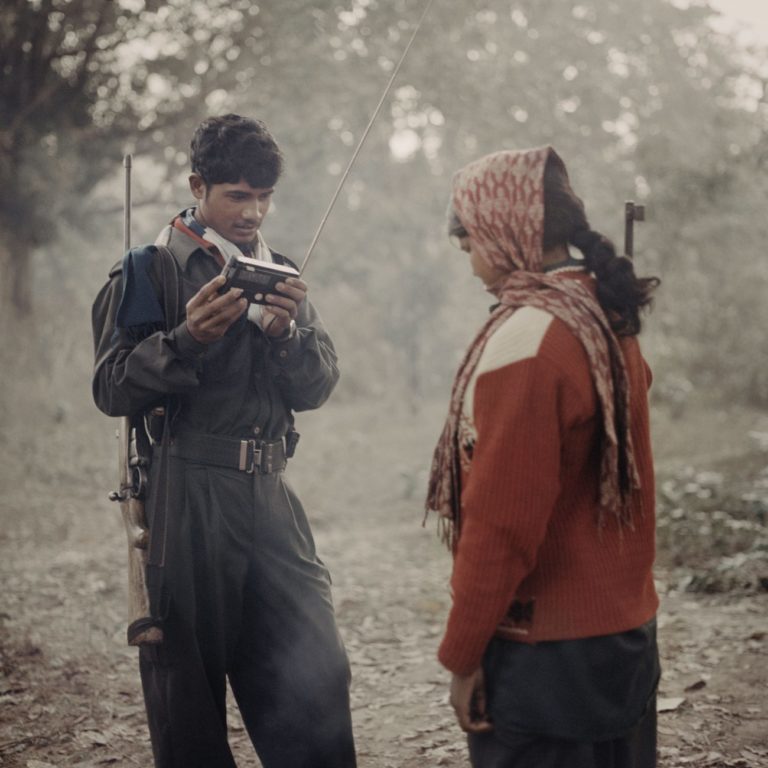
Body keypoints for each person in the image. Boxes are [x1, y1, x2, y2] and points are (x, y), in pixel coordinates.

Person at [91, 114, 356, 768]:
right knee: (189, 697)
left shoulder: (280, 269)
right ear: (197, 186)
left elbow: (318, 385)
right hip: (188, 493)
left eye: (264, 195)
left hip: (272, 495)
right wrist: (186, 341)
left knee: (316, 671)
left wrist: (285, 336)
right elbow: (111, 390)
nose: (254, 211)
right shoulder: (149, 268)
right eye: (238, 195)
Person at [426, 146, 661, 768]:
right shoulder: (605, 316)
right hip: (625, 638)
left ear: (506, 234)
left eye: (470, 241)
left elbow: (502, 525)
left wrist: (464, 653)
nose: (472, 263)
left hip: (545, 656)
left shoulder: (529, 340)